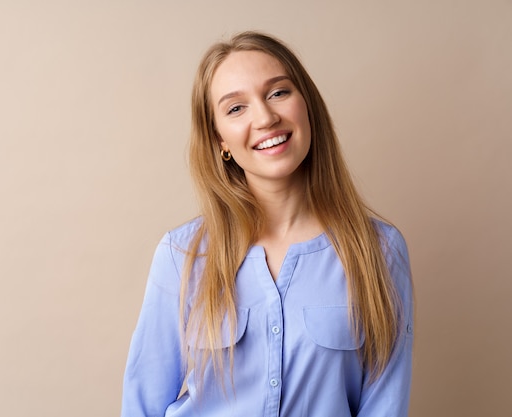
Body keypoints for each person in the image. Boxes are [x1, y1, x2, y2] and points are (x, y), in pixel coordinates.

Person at [121, 31, 414, 416]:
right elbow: (142, 404)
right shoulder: (182, 255)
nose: (265, 117)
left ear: (306, 105)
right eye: (235, 108)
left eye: (278, 93)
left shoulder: (379, 251)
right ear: (220, 140)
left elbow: (385, 405)